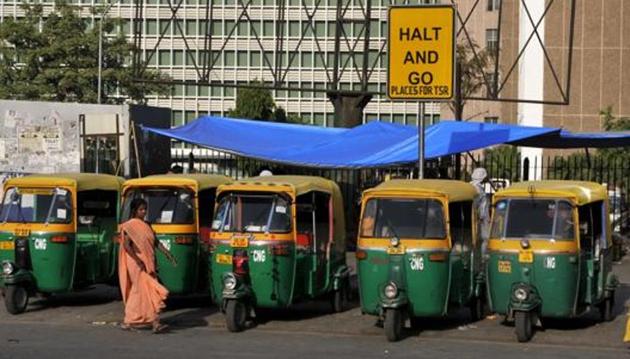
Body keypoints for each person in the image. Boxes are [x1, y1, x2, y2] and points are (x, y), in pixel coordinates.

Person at [119, 198, 177, 333]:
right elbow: (127, 246)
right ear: (134, 211)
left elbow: (155, 242)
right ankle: (153, 322)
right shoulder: (129, 225)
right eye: (141, 209)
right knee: (148, 290)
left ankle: (137, 320)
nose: (144, 212)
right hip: (136, 263)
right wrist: (138, 260)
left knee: (143, 292)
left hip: (148, 262)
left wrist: (167, 253)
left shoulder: (147, 225)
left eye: (145, 209)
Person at [470, 168, 490, 250]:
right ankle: (483, 257)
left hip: (475, 217)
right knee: (485, 238)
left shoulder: (470, 186)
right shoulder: (478, 190)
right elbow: (481, 206)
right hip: (480, 218)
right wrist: (481, 217)